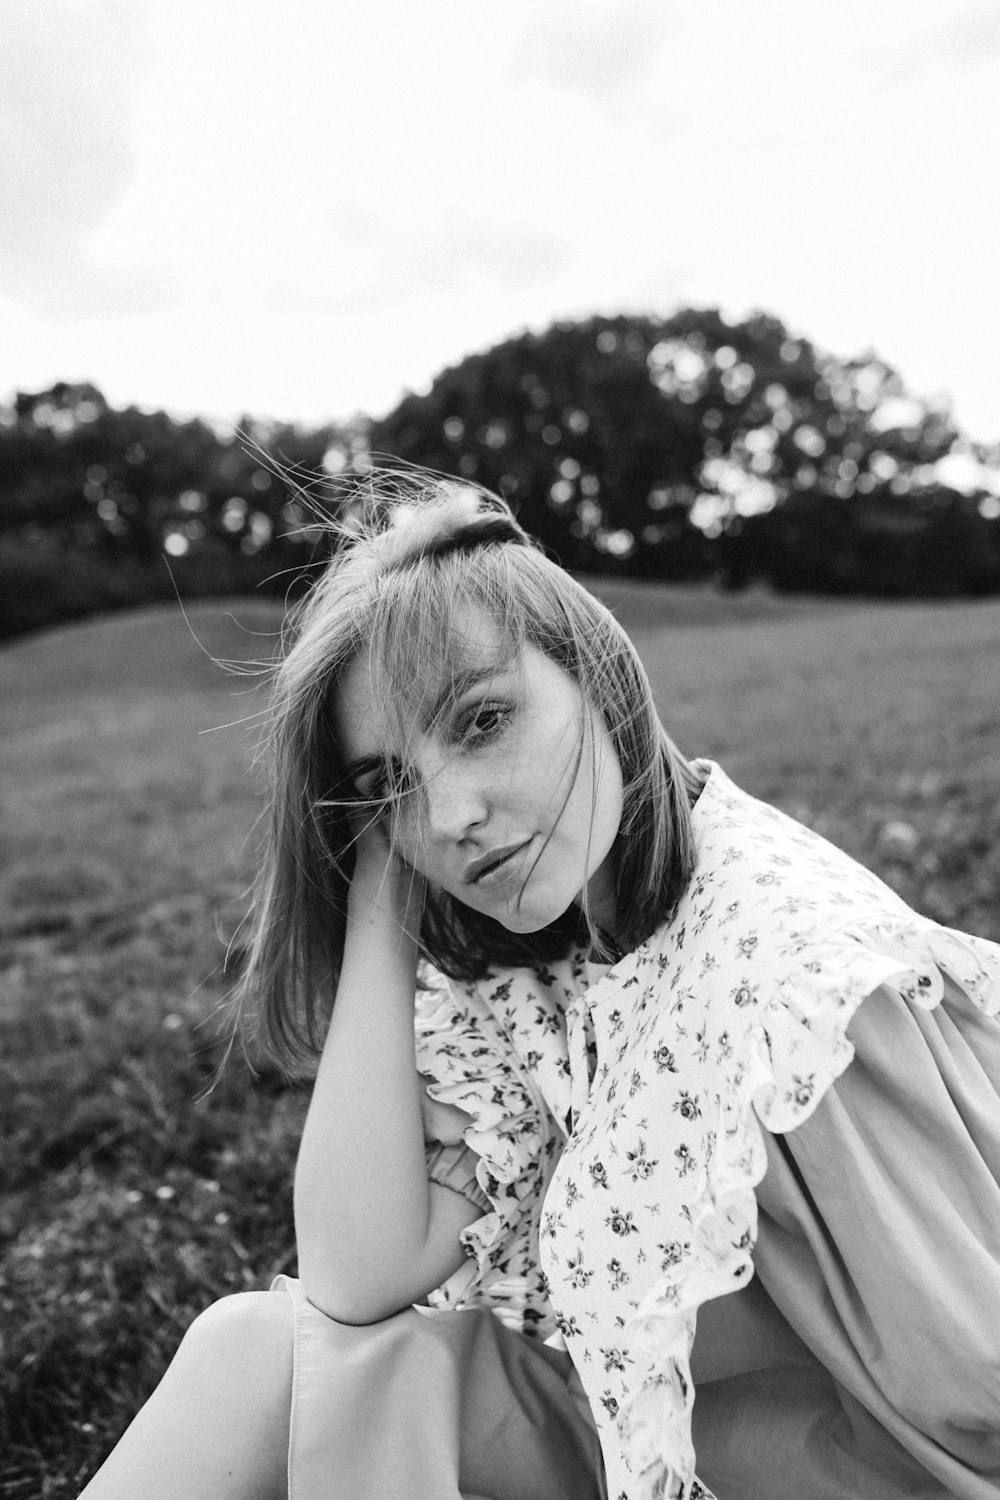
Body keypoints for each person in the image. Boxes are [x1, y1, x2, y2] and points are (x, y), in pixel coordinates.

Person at [79, 478, 1000, 1500]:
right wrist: (381, 892)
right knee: (255, 1350)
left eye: (481, 721)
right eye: (389, 781)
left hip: (811, 1473)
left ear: (597, 676)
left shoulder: (800, 989)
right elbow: (357, 1276)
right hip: (627, 1432)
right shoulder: (534, 954)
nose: (453, 814)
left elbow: (974, 1383)